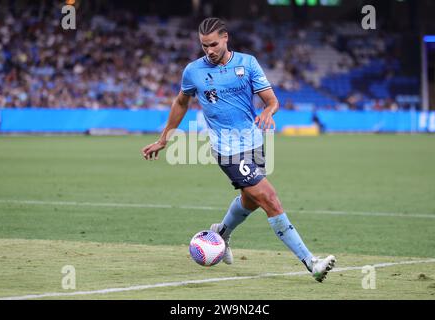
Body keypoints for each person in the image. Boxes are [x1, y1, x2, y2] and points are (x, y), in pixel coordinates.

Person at [142, 17, 335, 282]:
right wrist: (164, 138)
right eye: (203, 46)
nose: (208, 50)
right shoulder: (193, 71)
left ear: (225, 38)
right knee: (269, 198)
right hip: (226, 149)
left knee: (251, 201)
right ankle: (311, 262)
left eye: (212, 44)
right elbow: (180, 103)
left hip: (254, 143)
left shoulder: (247, 63)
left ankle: (221, 233)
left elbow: (271, 101)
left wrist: (268, 111)